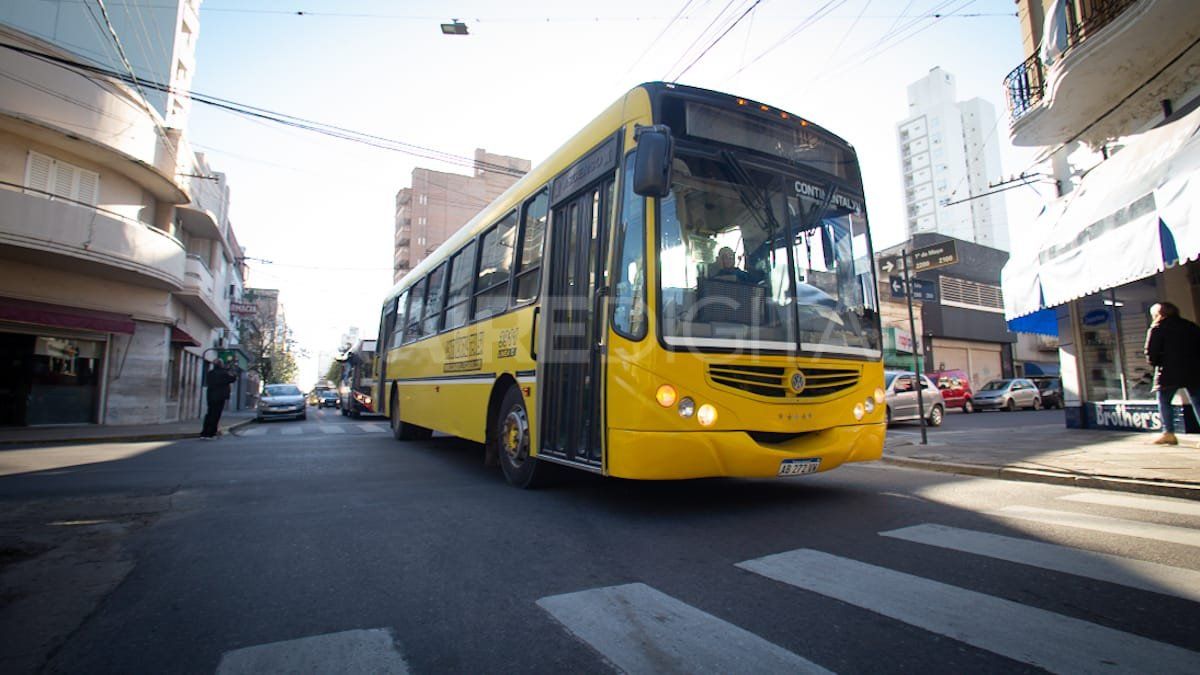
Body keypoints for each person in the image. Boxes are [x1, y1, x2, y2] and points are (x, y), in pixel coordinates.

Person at [1143, 302, 1200, 446]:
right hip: (1194, 370)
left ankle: (1168, 433)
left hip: (1168, 372)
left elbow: (1151, 353)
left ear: (1159, 314)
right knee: (1198, 401)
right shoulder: (1191, 326)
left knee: (1164, 401)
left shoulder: (1157, 328)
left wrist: (1155, 363)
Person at [201, 357, 239, 439]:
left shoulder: (210, 373)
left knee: (209, 414)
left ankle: (204, 433)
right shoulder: (224, 373)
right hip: (220, 396)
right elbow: (232, 379)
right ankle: (211, 433)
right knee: (216, 415)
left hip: (210, 396)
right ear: (221, 364)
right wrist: (233, 372)